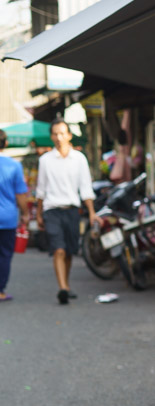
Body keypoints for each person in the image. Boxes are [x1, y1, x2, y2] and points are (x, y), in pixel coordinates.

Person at [33, 120, 97, 304]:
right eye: (55, 134)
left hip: (72, 211)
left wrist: (92, 212)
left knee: (69, 251)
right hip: (52, 210)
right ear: (51, 137)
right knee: (58, 250)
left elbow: (86, 188)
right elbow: (41, 190)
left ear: (69, 135)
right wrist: (38, 214)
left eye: (62, 133)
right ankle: (62, 288)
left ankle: (66, 285)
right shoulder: (45, 160)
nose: (59, 138)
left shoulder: (79, 159)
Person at [0, 129, 30, 302]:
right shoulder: (14, 166)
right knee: (4, 255)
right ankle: (0, 290)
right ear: (6, 144)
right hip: (8, 218)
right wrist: (25, 214)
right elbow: (21, 195)